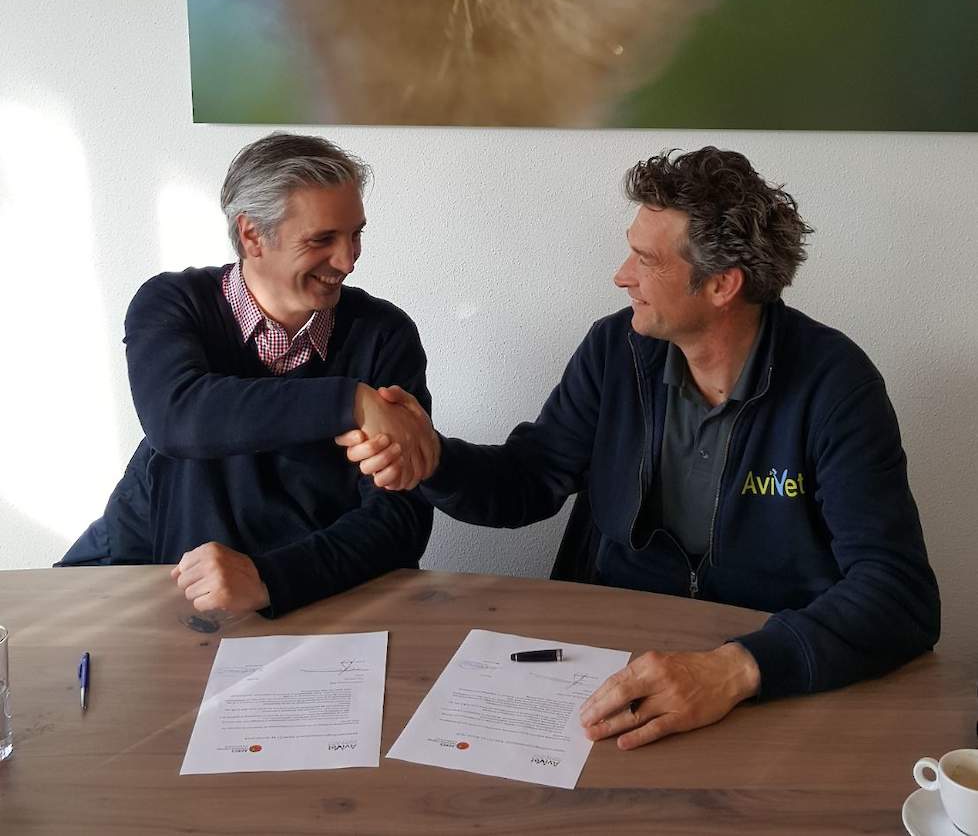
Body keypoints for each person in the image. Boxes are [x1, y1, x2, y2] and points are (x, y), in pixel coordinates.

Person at [337, 147, 940, 748]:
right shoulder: (614, 351)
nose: (621, 275)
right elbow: (528, 480)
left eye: (645, 260)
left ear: (723, 285)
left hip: (767, 675)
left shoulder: (834, 385)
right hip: (613, 662)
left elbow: (899, 593)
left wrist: (733, 669)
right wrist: (432, 458)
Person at [60, 132, 438, 617]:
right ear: (251, 235)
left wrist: (268, 578)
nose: (348, 259)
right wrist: (350, 402)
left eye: (356, 233)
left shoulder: (383, 335)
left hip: (322, 603)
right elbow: (179, 417)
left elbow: (400, 519)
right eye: (323, 239)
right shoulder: (174, 305)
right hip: (172, 592)